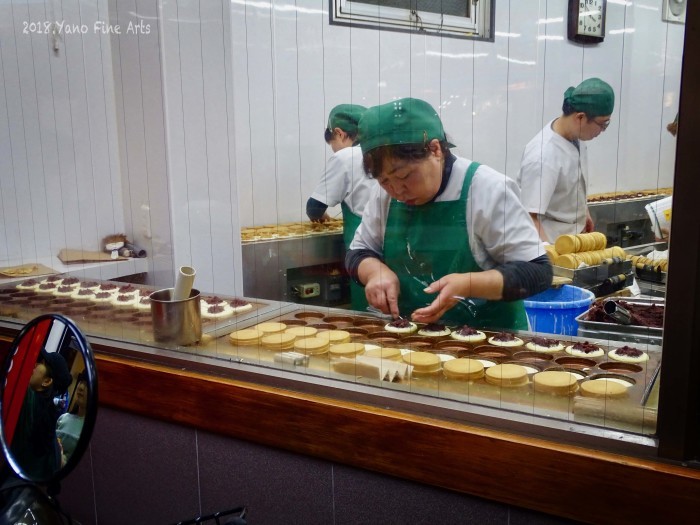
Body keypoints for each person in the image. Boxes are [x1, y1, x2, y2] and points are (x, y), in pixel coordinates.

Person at [345, 98, 552, 330]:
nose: (397, 191)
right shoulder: (384, 196)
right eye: (384, 181)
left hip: (489, 343)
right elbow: (358, 252)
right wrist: (375, 272)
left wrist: (469, 284)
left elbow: (538, 271)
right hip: (412, 339)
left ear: (435, 150)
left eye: (404, 176)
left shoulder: (486, 188)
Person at [517, 78, 615, 243]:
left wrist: (584, 213)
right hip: (551, 241)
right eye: (602, 124)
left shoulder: (576, 138)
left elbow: (573, 183)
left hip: (573, 239)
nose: (603, 130)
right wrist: (549, 257)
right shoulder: (543, 156)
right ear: (581, 117)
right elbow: (529, 217)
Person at [306, 104, 376, 310]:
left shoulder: (346, 156)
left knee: (370, 315)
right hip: (395, 242)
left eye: (333, 142)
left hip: (365, 247)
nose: (334, 149)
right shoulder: (381, 151)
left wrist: (320, 217)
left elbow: (315, 206)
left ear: (339, 133)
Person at [10, 349, 72, 479]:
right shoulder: (44, 411)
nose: (35, 364)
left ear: (46, 381)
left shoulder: (29, 397)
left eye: (41, 363)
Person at [56, 376, 88, 465]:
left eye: (87, 384)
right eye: (81, 381)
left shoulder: (89, 427)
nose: (81, 387)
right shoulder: (64, 418)